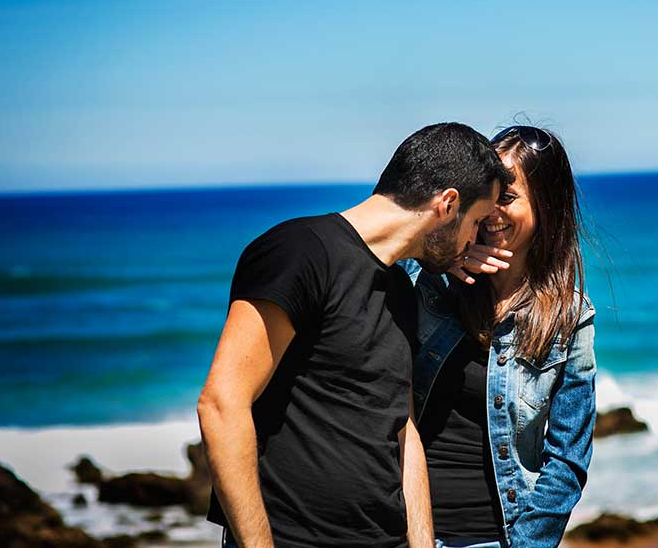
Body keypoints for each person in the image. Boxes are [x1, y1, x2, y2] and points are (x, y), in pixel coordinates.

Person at [197, 122, 513, 548]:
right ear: (447, 204)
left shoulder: (400, 289)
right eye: (475, 222)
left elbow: (403, 430)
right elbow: (222, 403)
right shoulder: (300, 251)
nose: (474, 239)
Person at [402, 125, 597, 548]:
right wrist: (439, 255)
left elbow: (567, 460)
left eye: (505, 198)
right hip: (401, 530)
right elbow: (369, 263)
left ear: (546, 205)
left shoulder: (569, 316)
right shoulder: (426, 282)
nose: (491, 213)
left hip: (499, 538)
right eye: (484, 198)